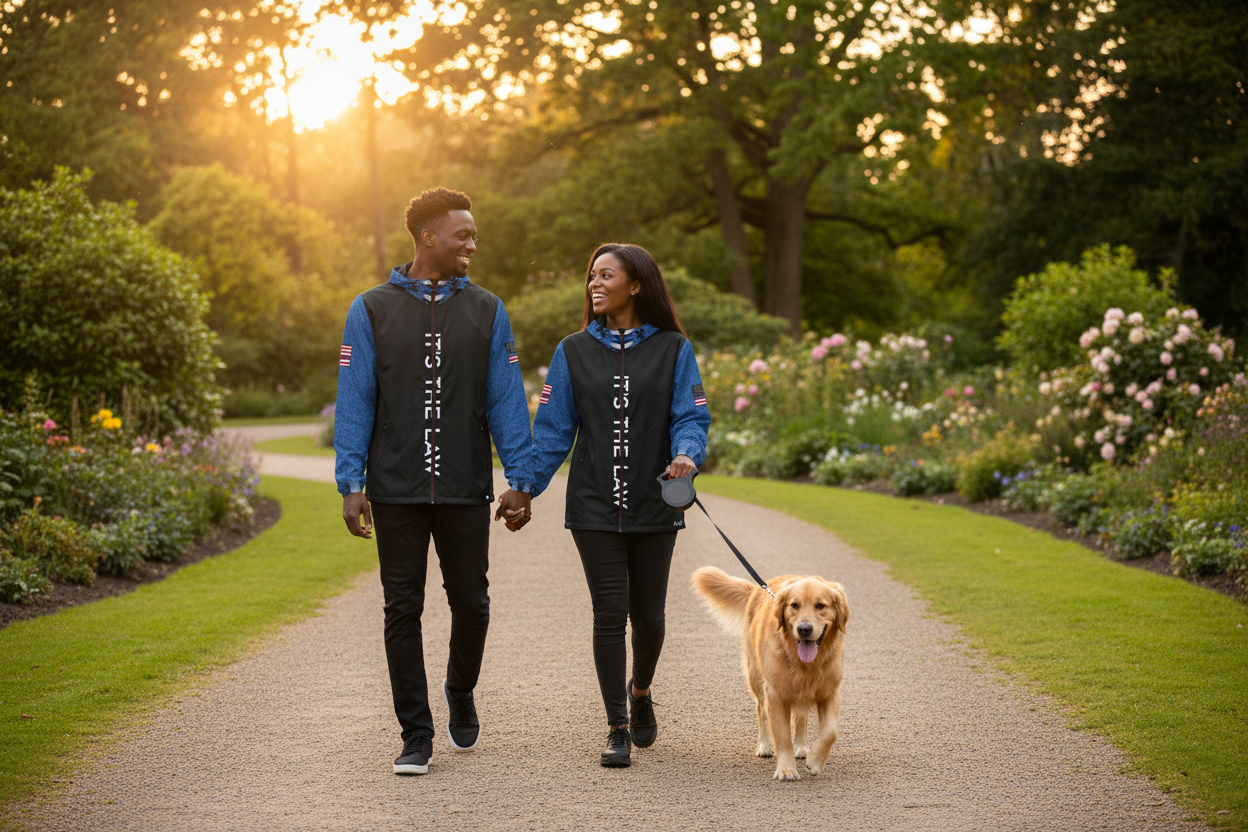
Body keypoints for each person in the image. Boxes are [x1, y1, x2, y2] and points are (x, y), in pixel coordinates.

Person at [334, 187, 534, 776]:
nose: (472, 242)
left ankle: (460, 688)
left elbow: (506, 402)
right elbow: (355, 400)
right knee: (403, 609)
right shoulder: (370, 308)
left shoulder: (488, 310)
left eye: (473, 234)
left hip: (464, 486)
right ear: (428, 237)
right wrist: (352, 482)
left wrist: (519, 480)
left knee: (472, 604)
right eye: (462, 234)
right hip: (395, 489)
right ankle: (415, 735)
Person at [505, 243, 711, 768]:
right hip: (594, 505)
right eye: (591, 276)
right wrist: (524, 487)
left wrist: (686, 455)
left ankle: (641, 690)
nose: (594, 284)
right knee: (608, 614)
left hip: (654, 501)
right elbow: (552, 432)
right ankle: (617, 725)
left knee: (650, 617)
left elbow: (690, 417)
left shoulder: (673, 349)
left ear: (636, 284)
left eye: (606, 275)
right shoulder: (571, 351)